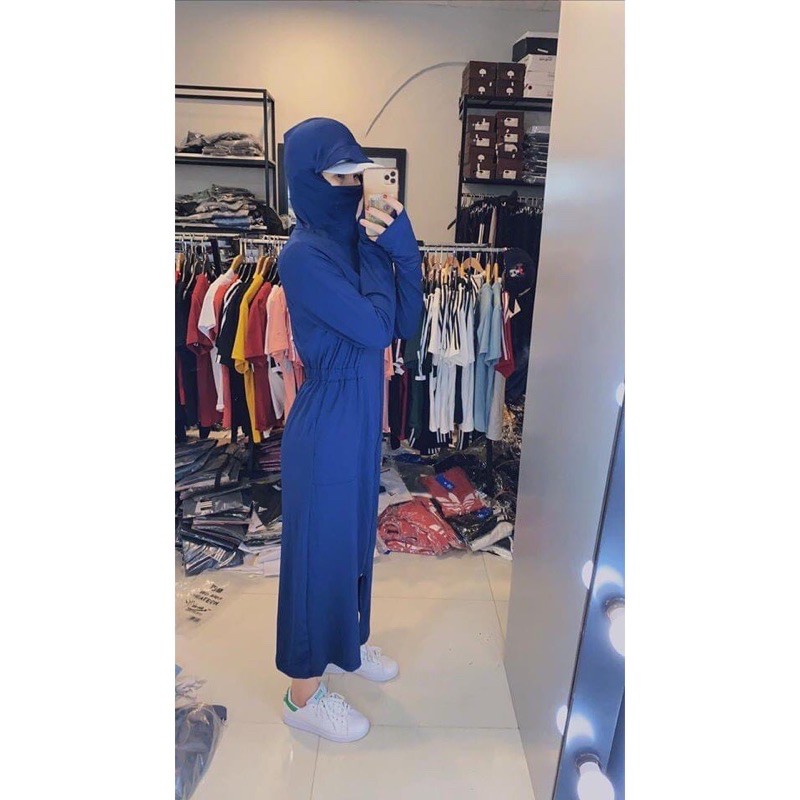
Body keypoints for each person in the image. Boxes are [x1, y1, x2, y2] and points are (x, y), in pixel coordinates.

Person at [276, 118, 423, 742]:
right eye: (336, 176)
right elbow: (374, 328)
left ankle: (348, 646)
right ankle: (302, 695)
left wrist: (404, 251)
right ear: (307, 179)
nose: (349, 188)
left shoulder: (357, 244)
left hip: (361, 417)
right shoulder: (302, 255)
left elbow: (407, 322)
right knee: (318, 555)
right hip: (328, 421)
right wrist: (384, 267)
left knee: (356, 543)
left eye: (355, 176)